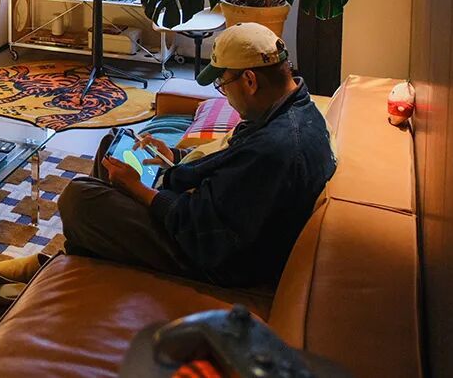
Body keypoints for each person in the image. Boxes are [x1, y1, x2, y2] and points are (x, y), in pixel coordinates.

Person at [58, 22, 336, 288]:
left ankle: (77, 254)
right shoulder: (299, 111)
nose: (225, 96)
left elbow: (199, 227)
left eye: (223, 84)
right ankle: (85, 251)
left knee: (79, 198)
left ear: (250, 80)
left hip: (211, 258)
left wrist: (137, 189)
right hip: (210, 225)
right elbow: (230, 166)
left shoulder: (274, 149)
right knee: (112, 147)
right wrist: (176, 156)